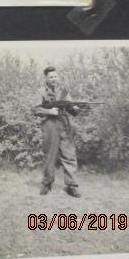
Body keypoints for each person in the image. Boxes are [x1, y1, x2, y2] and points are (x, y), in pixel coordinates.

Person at [32, 66, 81, 197]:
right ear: (46, 78)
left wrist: (75, 108)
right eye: (51, 77)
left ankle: (72, 186)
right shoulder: (41, 92)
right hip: (50, 125)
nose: (54, 79)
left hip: (65, 125)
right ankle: (47, 184)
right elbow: (35, 110)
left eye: (55, 76)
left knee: (69, 155)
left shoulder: (64, 92)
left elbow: (72, 109)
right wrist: (49, 111)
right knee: (50, 155)